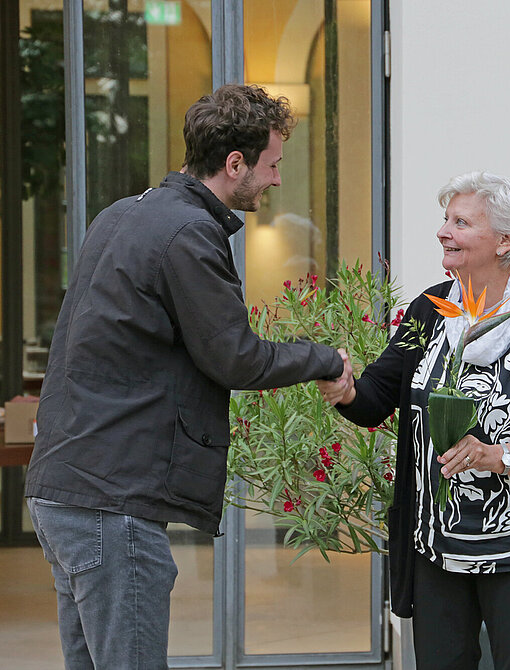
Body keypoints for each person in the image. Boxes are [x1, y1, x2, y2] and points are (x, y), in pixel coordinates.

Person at [24, 84, 351, 670]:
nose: (276, 180)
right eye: (272, 165)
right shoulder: (188, 234)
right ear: (235, 164)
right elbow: (235, 358)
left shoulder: (123, 214)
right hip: (111, 499)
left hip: (65, 486)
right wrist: (325, 359)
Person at [318, 171, 510, 670]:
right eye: (446, 220)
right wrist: (344, 389)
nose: (444, 231)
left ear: (505, 241)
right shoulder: (429, 310)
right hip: (435, 548)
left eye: (461, 222)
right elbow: (377, 396)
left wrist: (497, 457)